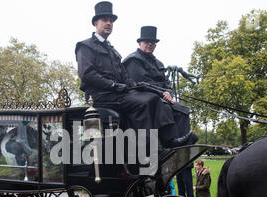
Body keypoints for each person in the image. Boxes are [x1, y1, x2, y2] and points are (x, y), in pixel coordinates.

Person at [75, 1, 198, 149]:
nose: (109, 23)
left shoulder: (113, 50)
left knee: (153, 98)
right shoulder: (85, 46)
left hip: (117, 93)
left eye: (111, 21)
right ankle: (146, 147)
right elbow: (87, 74)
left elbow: (124, 77)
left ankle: (169, 140)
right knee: (145, 102)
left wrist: (135, 86)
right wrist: (113, 85)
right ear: (95, 23)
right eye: (105, 20)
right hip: (100, 95)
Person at [123, 26, 196, 197]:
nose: (149, 45)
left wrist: (169, 92)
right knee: (161, 104)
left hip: (161, 97)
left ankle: (181, 145)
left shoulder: (158, 63)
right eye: (147, 42)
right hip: (141, 97)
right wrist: (161, 93)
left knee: (182, 110)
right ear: (140, 43)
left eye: (152, 43)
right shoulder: (132, 60)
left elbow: (167, 83)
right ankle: (168, 141)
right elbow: (139, 82)